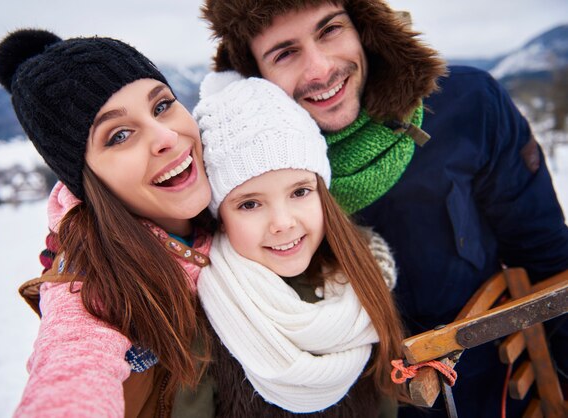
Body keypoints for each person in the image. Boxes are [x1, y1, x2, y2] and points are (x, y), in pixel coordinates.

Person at [200, 1, 568, 417]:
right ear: (254, 74)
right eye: (285, 53)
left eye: (330, 30)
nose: (320, 69)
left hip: (489, 395)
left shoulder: (466, 106)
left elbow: (547, 257)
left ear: (364, 27)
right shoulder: (237, 169)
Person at [0, 29, 215, 417]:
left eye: (161, 106)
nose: (165, 136)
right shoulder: (89, 284)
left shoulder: (238, 190)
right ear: (85, 177)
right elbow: (71, 372)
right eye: (120, 135)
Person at [189, 70, 406, 417]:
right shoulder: (204, 313)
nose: (283, 223)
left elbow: (384, 403)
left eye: (300, 192)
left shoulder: (362, 279)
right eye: (249, 204)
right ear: (221, 217)